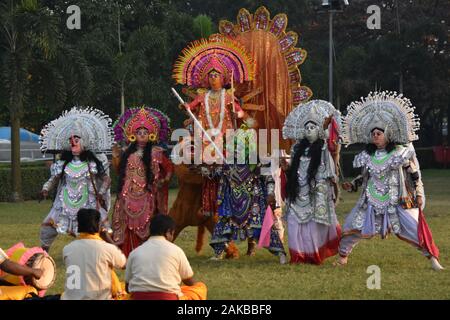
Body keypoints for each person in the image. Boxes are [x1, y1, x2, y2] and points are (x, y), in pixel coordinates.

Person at [336, 91, 444, 271]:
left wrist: (418, 194)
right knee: (351, 226)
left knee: (414, 230)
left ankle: (433, 259)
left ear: (388, 135)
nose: (376, 136)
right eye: (373, 133)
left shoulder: (400, 153)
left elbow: (413, 173)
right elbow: (365, 176)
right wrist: (353, 184)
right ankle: (342, 257)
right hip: (370, 200)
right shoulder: (368, 155)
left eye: (379, 133)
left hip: (396, 201)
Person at [210, 118, 287, 263]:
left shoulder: (257, 162)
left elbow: (268, 178)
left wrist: (270, 193)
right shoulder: (228, 163)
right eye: (235, 144)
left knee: (263, 226)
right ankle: (218, 252)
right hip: (231, 201)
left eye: (241, 144)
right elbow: (219, 177)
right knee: (223, 224)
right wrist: (210, 170)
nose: (237, 148)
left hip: (253, 201)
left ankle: (280, 253)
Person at [39, 107, 114, 252]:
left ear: (84, 142)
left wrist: (101, 192)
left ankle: (111, 253)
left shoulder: (92, 163)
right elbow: (53, 179)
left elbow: (106, 179)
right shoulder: (63, 164)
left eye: (76, 139)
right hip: (64, 202)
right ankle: (43, 254)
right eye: (70, 140)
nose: (73, 142)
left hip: (88, 202)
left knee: (102, 229)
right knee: (47, 227)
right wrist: (45, 189)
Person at [281, 100, 342, 264]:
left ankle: (313, 254)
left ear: (319, 130)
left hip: (316, 191)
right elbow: (293, 170)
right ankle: (297, 255)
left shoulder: (323, 149)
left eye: (313, 127)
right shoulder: (296, 148)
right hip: (298, 191)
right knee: (294, 223)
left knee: (312, 226)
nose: (309, 131)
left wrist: (330, 187)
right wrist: (286, 168)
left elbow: (330, 170)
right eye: (306, 128)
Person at [111, 107, 173, 257]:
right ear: (133, 135)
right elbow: (120, 171)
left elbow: (169, 168)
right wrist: (115, 156)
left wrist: (163, 180)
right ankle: (127, 253)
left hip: (147, 194)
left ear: (151, 135)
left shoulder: (156, 152)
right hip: (127, 193)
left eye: (145, 133)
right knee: (125, 222)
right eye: (139, 133)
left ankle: (147, 253)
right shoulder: (128, 153)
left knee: (146, 221)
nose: (142, 135)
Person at [125, 214, 207, 300]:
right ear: (168, 232)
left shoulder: (135, 252)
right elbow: (189, 281)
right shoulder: (176, 250)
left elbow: (127, 288)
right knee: (200, 288)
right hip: (168, 297)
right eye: (172, 233)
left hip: (139, 298)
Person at [61, 209, 127, 300]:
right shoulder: (107, 248)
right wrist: (108, 239)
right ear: (98, 225)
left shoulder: (67, 249)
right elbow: (124, 264)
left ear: (79, 225)